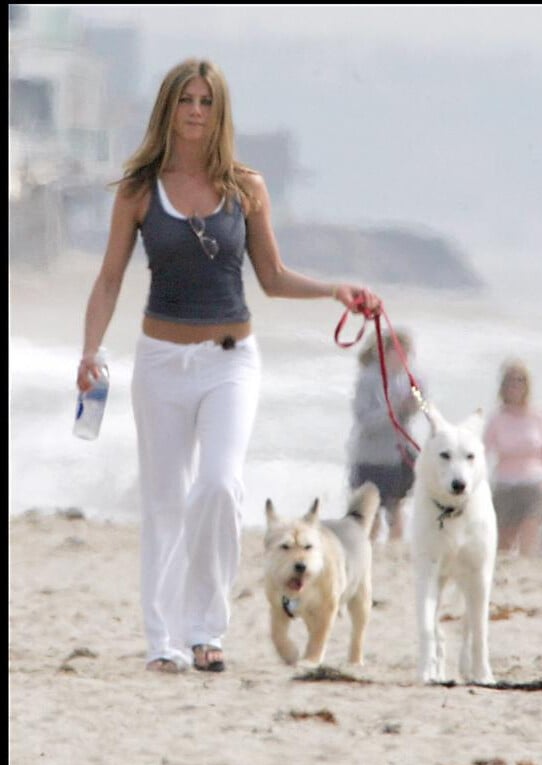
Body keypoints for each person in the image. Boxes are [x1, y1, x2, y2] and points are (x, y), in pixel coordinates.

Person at [76, 58, 382, 674]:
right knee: (164, 499)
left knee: (218, 485)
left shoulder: (247, 188)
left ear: (220, 113)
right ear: (169, 108)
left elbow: (270, 276)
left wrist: (333, 290)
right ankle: (162, 639)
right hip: (161, 361)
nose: (195, 110)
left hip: (230, 361)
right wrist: (90, 352)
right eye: (186, 100)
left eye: (206, 101)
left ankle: (205, 630)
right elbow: (109, 278)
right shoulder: (140, 189)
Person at [484, 359, 542, 557]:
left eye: (520, 381)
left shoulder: (539, 415)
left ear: (527, 385)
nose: (515, 386)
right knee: (503, 546)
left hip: (534, 486)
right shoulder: (497, 418)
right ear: (503, 386)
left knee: (529, 542)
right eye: (511, 381)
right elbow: (483, 452)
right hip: (505, 486)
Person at [346, 328, 424, 542]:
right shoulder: (369, 378)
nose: (403, 358)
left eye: (407, 354)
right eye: (398, 352)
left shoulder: (408, 379)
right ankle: (369, 547)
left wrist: (416, 402)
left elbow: (422, 404)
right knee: (370, 510)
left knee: (397, 506)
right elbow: (364, 419)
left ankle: (394, 548)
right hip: (369, 455)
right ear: (385, 352)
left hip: (398, 454)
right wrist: (393, 410)